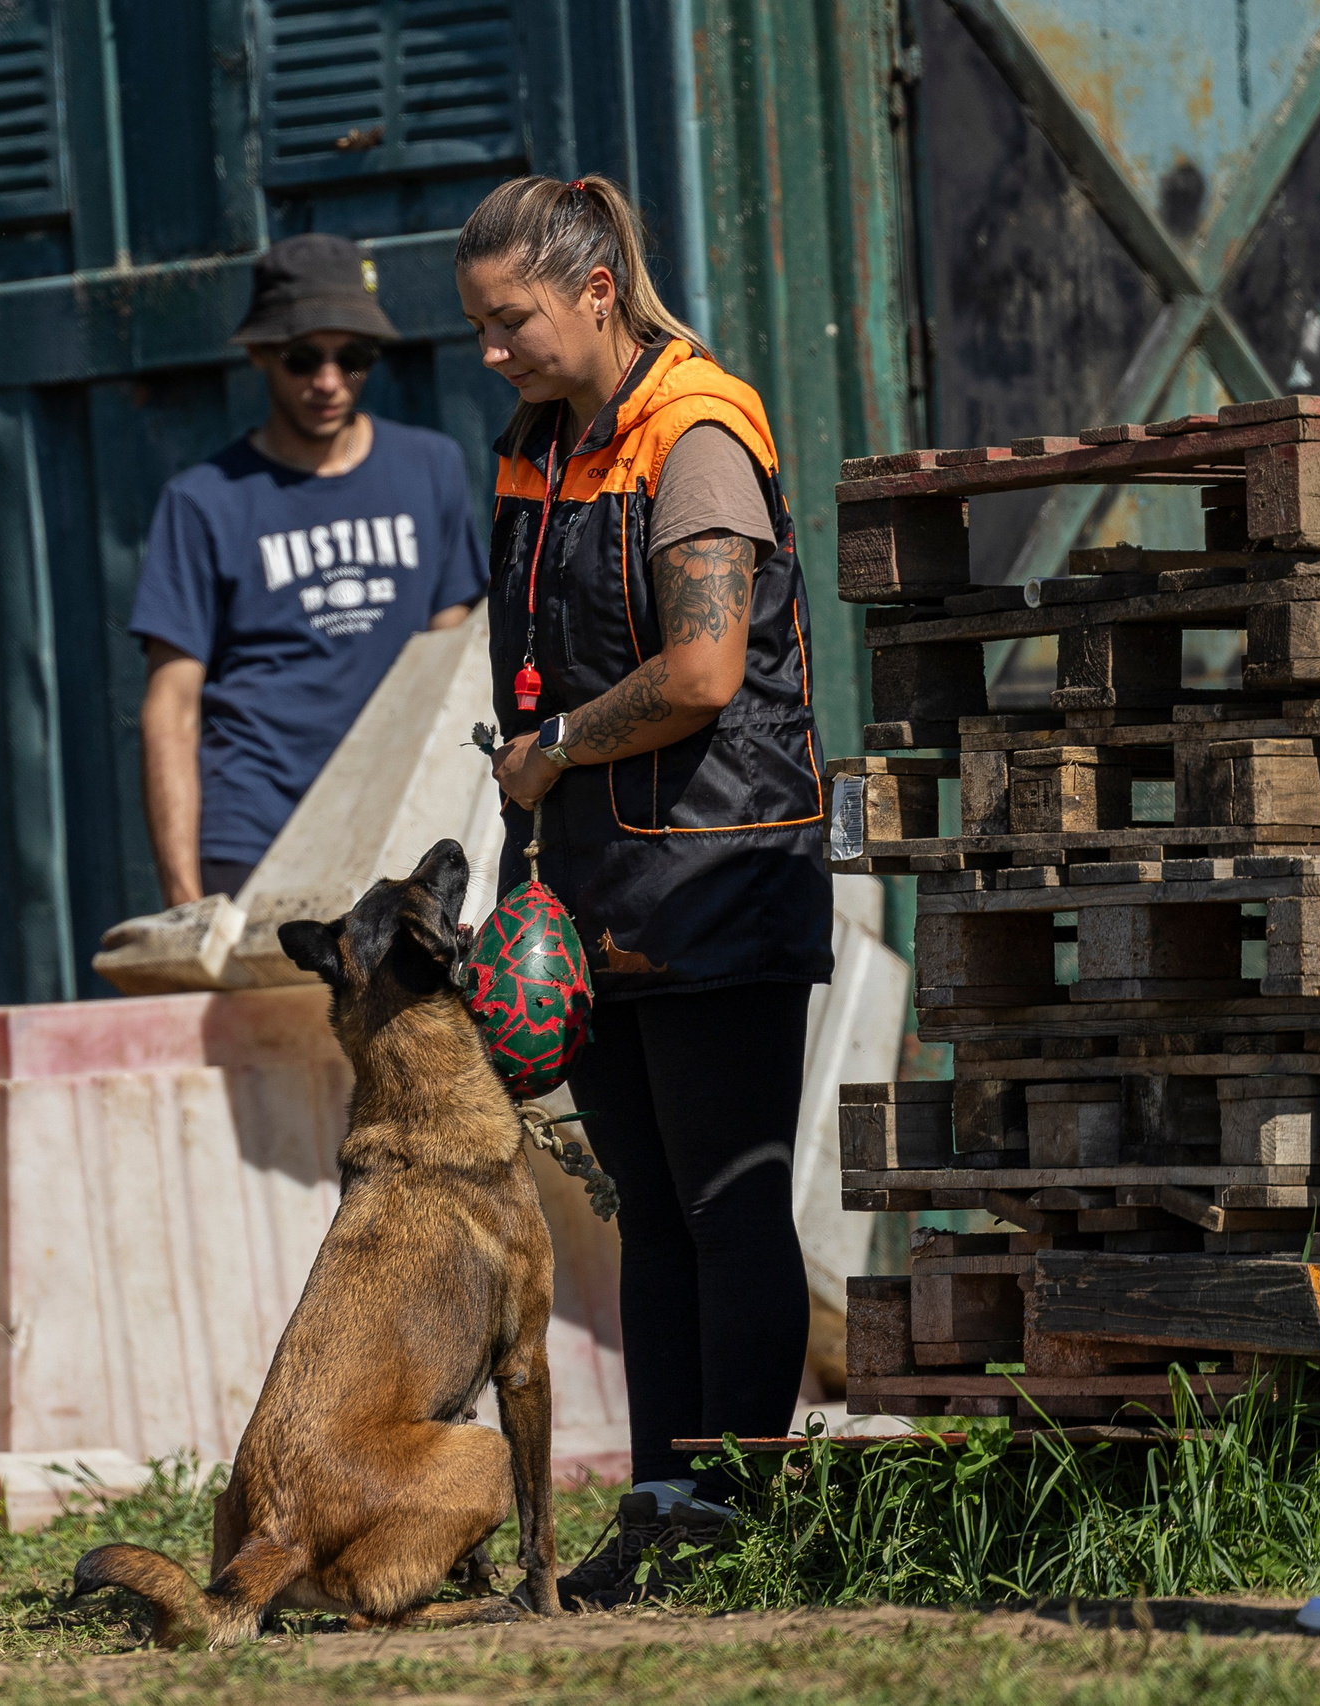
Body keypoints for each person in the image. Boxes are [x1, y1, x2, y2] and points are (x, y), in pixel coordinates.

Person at [455, 175, 833, 1602]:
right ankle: (669, 1503)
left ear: (596, 290)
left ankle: (741, 1508)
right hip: (598, 891)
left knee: (731, 1202)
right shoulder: (539, 444)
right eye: (481, 330)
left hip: (724, 880)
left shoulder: (698, 434)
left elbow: (703, 672)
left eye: (514, 323)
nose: (494, 353)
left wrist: (551, 749)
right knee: (651, 1212)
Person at [130, 232, 486, 904]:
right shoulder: (203, 502)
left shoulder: (429, 470)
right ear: (261, 354)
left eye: (351, 357)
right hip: (257, 837)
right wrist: (186, 904)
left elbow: (453, 675)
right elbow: (169, 710)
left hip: (401, 832)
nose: (327, 381)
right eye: (301, 358)